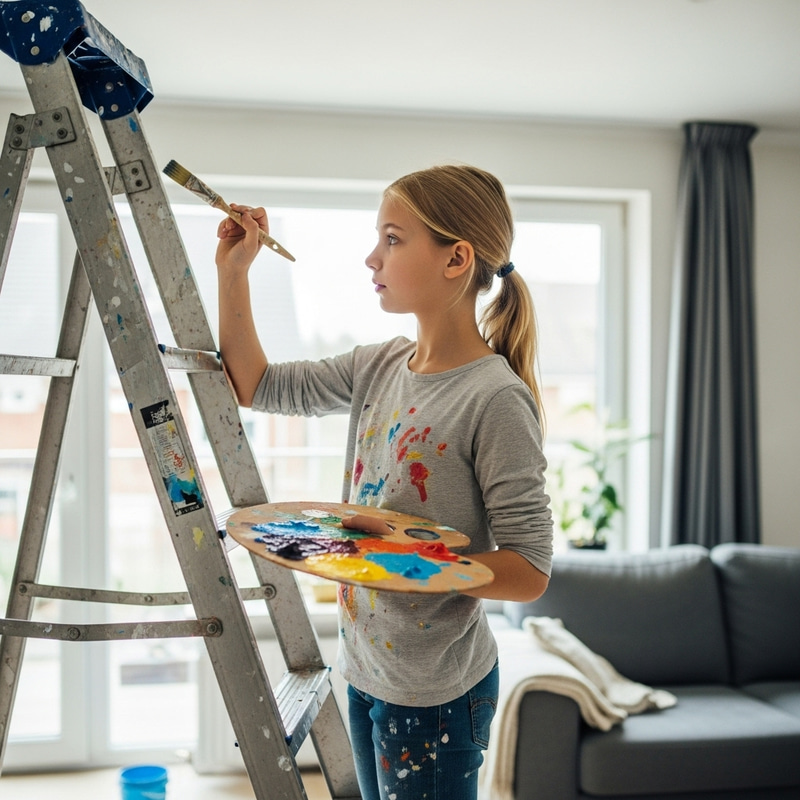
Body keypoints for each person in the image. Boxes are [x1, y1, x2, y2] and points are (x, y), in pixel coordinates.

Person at [215, 164, 553, 800]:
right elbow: (254, 384)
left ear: (457, 259)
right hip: (367, 666)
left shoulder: (495, 398)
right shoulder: (378, 364)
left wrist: (414, 563)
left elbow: (530, 570)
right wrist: (234, 270)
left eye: (393, 239)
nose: (373, 258)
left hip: (436, 694)